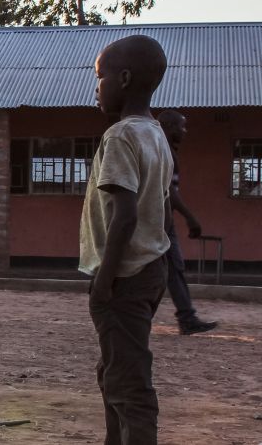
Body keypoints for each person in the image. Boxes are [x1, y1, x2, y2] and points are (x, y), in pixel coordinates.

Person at [81, 35, 173, 445]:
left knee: (128, 383)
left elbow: (126, 215)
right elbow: (161, 209)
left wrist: (104, 281)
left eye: (99, 78)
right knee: (113, 370)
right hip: (151, 269)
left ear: (124, 78)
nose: (96, 87)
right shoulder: (155, 132)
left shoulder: (120, 136)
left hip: (124, 275)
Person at [154, 110, 219, 336]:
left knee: (171, 269)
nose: (185, 131)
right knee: (170, 268)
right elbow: (168, 190)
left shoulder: (165, 150)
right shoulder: (164, 151)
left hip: (164, 220)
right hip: (159, 221)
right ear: (170, 126)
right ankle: (186, 318)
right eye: (182, 126)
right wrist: (190, 217)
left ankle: (186, 317)